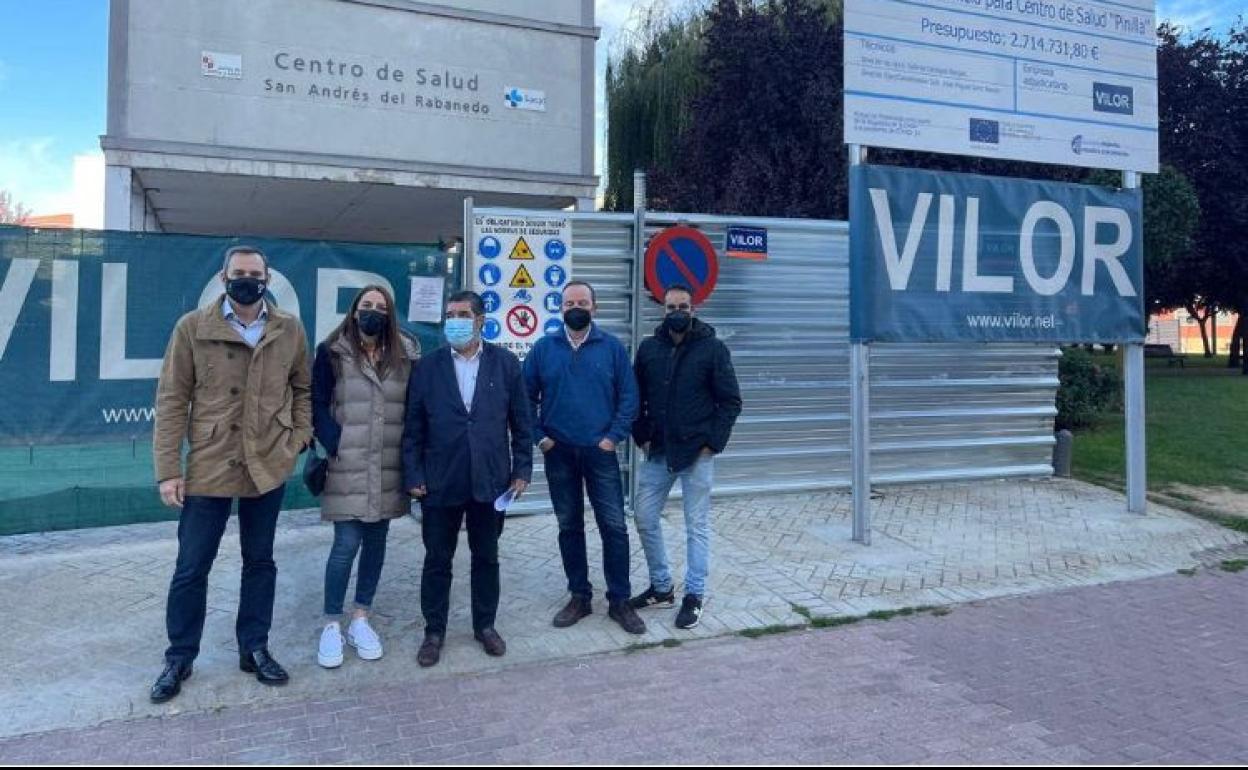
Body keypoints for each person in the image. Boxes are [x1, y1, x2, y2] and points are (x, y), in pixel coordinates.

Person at [150, 245, 312, 703]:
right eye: (239, 273)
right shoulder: (191, 328)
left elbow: (303, 388)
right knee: (191, 566)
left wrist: (297, 438)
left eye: (255, 274)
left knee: (260, 561)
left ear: (267, 280)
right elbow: (172, 401)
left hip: (268, 463)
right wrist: (168, 470)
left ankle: (254, 648)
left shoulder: (289, 329)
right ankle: (179, 656)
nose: (247, 280)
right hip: (209, 465)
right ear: (224, 278)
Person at [402, 290, 533, 667]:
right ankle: (434, 632)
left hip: (490, 481)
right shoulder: (427, 368)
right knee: (437, 560)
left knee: (486, 557)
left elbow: (522, 423)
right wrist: (414, 474)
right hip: (440, 482)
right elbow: (413, 429)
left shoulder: (506, 364)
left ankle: (485, 626)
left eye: (462, 314)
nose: (454, 321)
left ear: (480, 320)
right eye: (450, 314)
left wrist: (522, 471)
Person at [523, 280, 646, 635]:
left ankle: (619, 600)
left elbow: (629, 397)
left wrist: (612, 439)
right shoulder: (544, 349)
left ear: (595, 307)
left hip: (600, 453)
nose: (575, 307)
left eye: (583, 302)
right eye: (569, 302)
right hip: (558, 452)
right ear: (559, 308)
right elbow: (524, 396)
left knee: (614, 527)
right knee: (569, 526)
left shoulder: (612, 348)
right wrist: (540, 438)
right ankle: (579, 596)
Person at [312, 285, 420, 668]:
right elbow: (317, 403)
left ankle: (361, 617)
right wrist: (334, 441)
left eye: (380, 307)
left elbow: (415, 407)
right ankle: (330, 623)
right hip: (348, 463)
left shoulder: (406, 355)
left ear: (390, 314)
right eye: (365, 306)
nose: (372, 312)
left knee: (377, 542)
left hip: (389, 463)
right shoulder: (332, 352)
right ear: (354, 310)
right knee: (345, 544)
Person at [629, 284, 742, 629]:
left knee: (697, 526)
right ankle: (662, 588)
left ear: (693, 309)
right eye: (671, 307)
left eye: (683, 306)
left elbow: (730, 401)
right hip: (659, 452)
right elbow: (636, 398)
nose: (677, 312)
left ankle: (694, 595)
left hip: (696, 453)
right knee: (644, 516)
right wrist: (642, 437)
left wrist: (712, 444)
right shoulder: (649, 349)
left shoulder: (712, 349)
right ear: (662, 310)